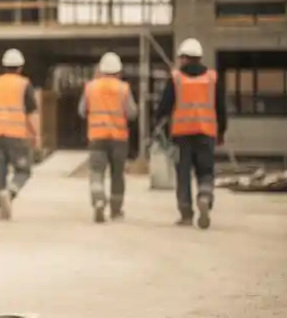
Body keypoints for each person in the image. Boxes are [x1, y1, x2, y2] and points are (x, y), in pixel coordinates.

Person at [154, 38, 228, 230]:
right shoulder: (212, 78)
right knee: (205, 171)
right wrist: (221, 132)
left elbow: (164, 107)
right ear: (200, 57)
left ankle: (186, 214)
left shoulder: (176, 78)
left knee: (183, 175)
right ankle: (204, 197)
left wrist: (158, 124)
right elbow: (221, 109)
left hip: (181, 136)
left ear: (184, 58)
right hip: (206, 134)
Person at [79, 51, 138, 223]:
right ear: (119, 71)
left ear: (101, 70)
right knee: (117, 174)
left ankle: (98, 199)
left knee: (96, 171)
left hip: (97, 137)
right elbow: (132, 113)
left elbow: (82, 111)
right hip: (119, 139)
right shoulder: (123, 88)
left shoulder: (91, 87)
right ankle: (116, 210)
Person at [0, 48, 41, 220]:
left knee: (0, 170)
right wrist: (35, 136)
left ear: (4, 66)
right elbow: (31, 113)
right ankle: (11, 192)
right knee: (24, 170)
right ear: (20, 67)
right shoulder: (24, 84)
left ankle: (1, 205)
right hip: (16, 135)